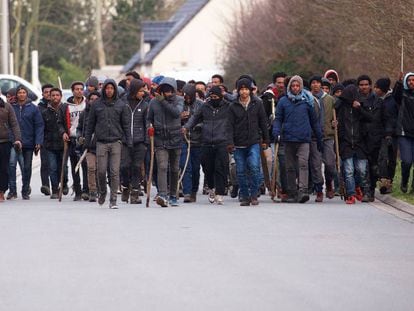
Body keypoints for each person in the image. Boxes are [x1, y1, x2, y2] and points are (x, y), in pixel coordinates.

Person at [272, 75, 323, 203]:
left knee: (303, 164)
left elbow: (314, 121)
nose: (295, 88)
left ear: (301, 86)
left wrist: (319, 137)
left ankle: (303, 191)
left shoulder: (308, 102)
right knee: (289, 167)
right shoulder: (283, 101)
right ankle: (291, 192)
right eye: (293, 86)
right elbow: (278, 119)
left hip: (304, 139)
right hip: (288, 139)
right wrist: (276, 131)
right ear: (289, 87)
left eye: (297, 86)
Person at [85, 79, 131, 209]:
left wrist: (128, 140)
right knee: (101, 171)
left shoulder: (121, 105)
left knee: (114, 171)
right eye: (107, 88)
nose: (109, 90)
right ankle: (103, 192)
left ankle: (113, 199)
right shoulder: (97, 105)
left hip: (116, 141)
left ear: (115, 90)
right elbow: (90, 125)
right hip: (101, 142)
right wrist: (87, 141)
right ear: (103, 89)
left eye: (111, 88)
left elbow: (126, 125)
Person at [183, 85, 230, 205]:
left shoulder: (228, 107)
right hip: (206, 141)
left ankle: (219, 192)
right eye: (212, 96)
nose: (214, 99)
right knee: (207, 168)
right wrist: (186, 127)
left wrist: (226, 95)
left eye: (216, 97)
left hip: (222, 141)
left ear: (221, 96)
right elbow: (194, 118)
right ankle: (212, 188)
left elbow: (236, 100)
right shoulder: (205, 107)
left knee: (220, 167)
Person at [228, 77, 269, 206]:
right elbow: (229, 126)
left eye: (246, 89)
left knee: (254, 167)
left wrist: (266, 140)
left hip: (254, 142)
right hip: (238, 143)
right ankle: (245, 196)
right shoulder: (233, 106)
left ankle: (254, 194)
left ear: (250, 90)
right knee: (240, 171)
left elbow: (263, 122)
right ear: (238, 91)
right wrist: (230, 142)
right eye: (242, 89)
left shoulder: (257, 104)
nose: (244, 92)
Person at [147, 77, 183, 207]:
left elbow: (176, 113)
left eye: (170, 91)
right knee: (162, 167)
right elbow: (148, 118)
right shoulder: (153, 103)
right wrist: (149, 127)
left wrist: (163, 102)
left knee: (174, 168)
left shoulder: (179, 100)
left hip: (175, 138)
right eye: (165, 90)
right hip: (160, 139)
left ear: (174, 91)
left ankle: (173, 195)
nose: (168, 93)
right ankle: (162, 194)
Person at [335, 84, 372, 204]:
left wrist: (359, 108)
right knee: (349, 170)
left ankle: (360, 188)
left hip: (360, 143)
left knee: (361, 170)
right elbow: (335, 121)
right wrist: (335, 124)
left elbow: (370, 118)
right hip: (346, 143)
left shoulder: (361, 105)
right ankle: (350, 194)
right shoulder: (340, 107)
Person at [9, 85, 44, 200]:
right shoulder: (11, 107)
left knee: (27, 167)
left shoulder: (33, 108)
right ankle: (12, 190)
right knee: (11, 165)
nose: (22, 94)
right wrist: (12, 138)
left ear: (27, 94)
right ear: (17, 94)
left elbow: (39, 125)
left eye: (24, 92)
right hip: (14, 142)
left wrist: (38, 141)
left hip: (29, 142)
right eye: (19, 92)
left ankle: (25, 190)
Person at [120, 79, 149, 204]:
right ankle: (125, 186)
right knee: (125, 166)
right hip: (125, 141)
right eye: (141, 91)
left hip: (140, 141)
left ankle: (135, 194)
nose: (143, 93)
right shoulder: (122, 103)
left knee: (137, 167)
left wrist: (146, 141)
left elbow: (147, 123)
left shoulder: (145, 105)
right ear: (134, 90)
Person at [59, 81, 88, 201]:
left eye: (81, 89)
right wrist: (63, 132)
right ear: (72, 91)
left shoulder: (87, 104)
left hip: (85, 139)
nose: (79, 91)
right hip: (72, 139)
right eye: (77, 89)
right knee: (74, 166)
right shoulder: (66, 106)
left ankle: (87, 190)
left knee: (87, 166)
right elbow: (60, 123)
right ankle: (78, 191)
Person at [358, 74, 384, 201]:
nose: (364, 87)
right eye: (361, 85)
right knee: (362, 167)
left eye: (366, 85)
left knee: (373, 166)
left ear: (370, 86)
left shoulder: (378, 101)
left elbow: (378, 119)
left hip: (375, 139)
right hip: (360, 138)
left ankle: (370, 191)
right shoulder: (355, 100)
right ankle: (363, 190)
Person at [180, 83, 203, 203]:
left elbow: (206, 121)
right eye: (185, 95)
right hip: (183, 140)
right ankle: (187, 192)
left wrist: (195, 126)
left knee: (195, 168)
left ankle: (194, 190)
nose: (187, 98)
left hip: (197, 140)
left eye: (189, 96)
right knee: (185, 166)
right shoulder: (180, 104)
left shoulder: (201, 105)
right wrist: (180, 118)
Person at [374, 78, 398, 194]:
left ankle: (389, 181)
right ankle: (383, 181)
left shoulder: (393, 100)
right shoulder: (375, 99)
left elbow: (393, 117)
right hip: (380, 134)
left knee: (392, 159)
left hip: (393, 133)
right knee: (382, 158)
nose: (375, 89)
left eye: (377, 87)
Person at [76, 91, 101, 202]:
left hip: (102, 145)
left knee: (101, 169)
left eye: (96, 99)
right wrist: (79, 137)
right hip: (89, 146)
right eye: (92, 99)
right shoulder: (84, 114)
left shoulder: (104, 112)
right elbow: (79, 128)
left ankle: (101, 189)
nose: (94, 101)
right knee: (91, 168)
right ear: (88, 100)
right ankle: (92, 191)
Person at [42, 88, 66, 199]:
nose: (55, 97)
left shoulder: (65, 109)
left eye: (57, 95)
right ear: (50, 97)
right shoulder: (45, 112)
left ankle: (64, 183)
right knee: (52, 168)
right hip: (50, 144)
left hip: (64, 144)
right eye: (53, 95)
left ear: (60, 96)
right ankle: (55, 189)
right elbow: (42, 128)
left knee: (63, 167)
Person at [393, 72, 414, 193]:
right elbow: (396, 95)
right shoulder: (403, 95)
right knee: (406, 161)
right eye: (409, 80)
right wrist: (398, 83)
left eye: (413, 80)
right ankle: (404, 182)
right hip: (404, 133)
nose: (411, 82)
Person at [0, 96, 21, 202]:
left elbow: (14, 123)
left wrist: (17, 139)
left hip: (4, 142)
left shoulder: (7, 106)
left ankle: (1, 191)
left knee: (3, 168)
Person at [37, 84, 54, 196]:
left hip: (57, 138)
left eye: (50, 92)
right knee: (45, 163)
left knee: (56, 164)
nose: (48, 94)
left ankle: (57, 185)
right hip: (44, 138)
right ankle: (45, 185)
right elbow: (38, 125)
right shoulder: (39, 107)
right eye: (46, 92)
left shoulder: (59, 106)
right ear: (42, 94)